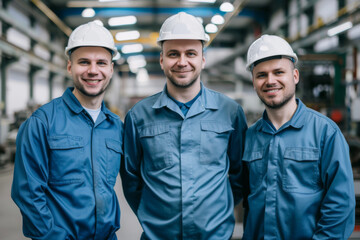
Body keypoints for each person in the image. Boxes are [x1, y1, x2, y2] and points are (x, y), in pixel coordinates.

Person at [120, 12, 248, 239]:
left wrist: (216, 212)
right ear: (161, 60)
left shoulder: (230, 112)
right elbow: (131, 179)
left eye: (191, 53)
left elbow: (240, 175)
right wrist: (154, 217)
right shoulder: (138, 116)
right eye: (173, 54)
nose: (182, 62)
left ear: (203, 59)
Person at [11, 21, 123, 240]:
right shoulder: (42, 122)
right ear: (70, 66)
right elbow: (27, 193)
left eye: (101, 62)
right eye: (84, 62)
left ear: (111, 69)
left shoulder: (116, 126)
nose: (93, 70)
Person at [242, 34, 355, 239]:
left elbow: (340, 205)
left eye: (278, 72)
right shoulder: (249, 137)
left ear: (295, 76)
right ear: (253, 81)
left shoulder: (325, 133)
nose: (270, 81)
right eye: (261, 75)